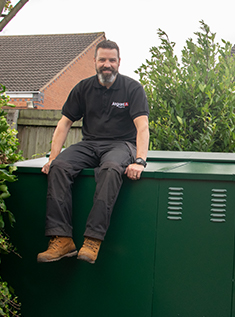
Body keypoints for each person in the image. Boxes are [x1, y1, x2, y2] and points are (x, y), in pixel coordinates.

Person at [37, 40, 150, 264]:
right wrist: (52, 158)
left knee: (109, 169)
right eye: (102, 60)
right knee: (59, 167)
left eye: (111, 60)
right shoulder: (83, 88)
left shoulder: (132, 88)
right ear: (95, 62)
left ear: (119, 62)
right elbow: (64, 124)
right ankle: (62, 239)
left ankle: (92, 240)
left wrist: (140, 160)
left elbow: (143, 127)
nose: (106, 64)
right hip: (90, 144)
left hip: (121, 145)